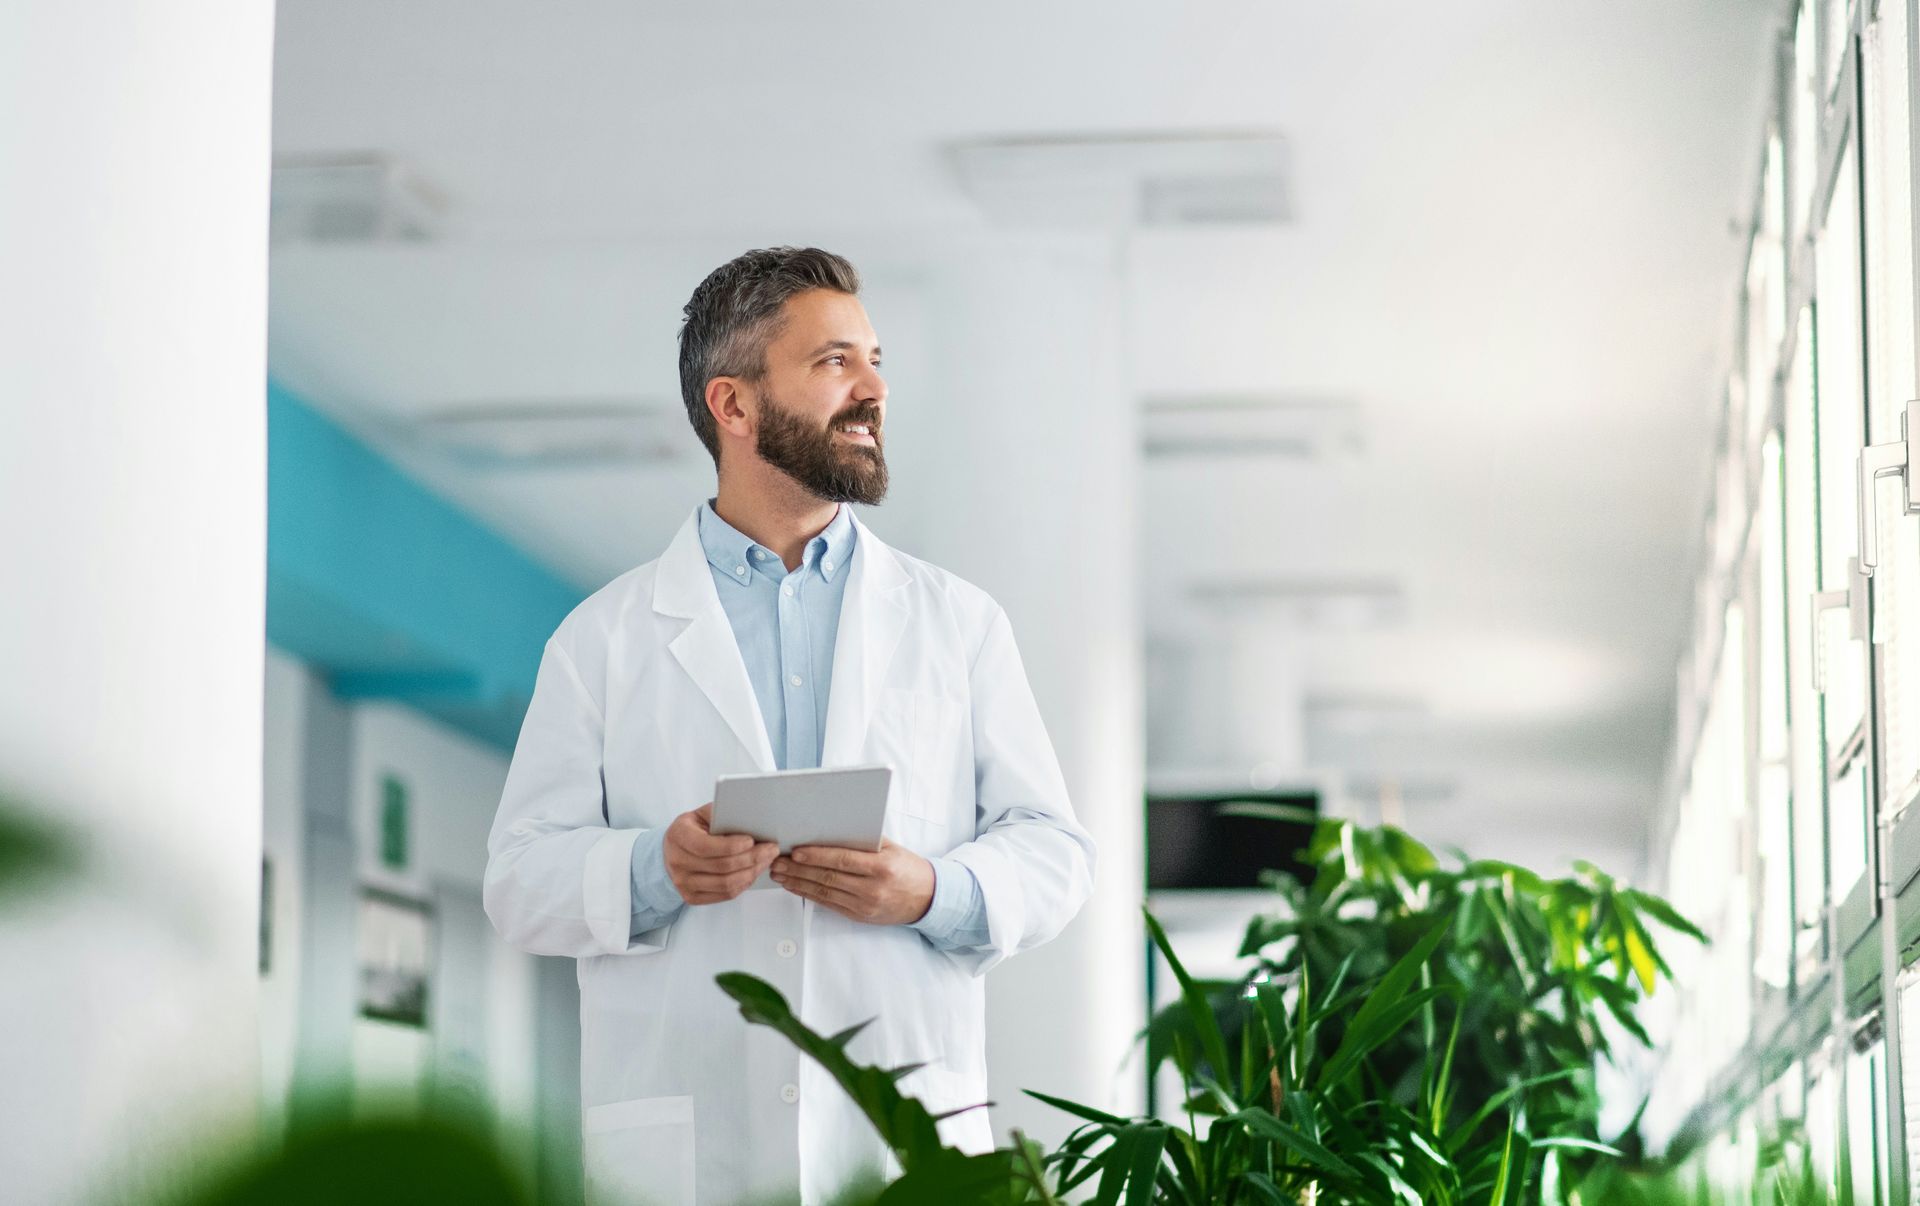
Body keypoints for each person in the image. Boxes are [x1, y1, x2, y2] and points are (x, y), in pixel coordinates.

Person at [483, 246, 1096, 1206]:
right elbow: (519, 881)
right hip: (690, 1149)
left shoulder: (958, 623)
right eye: (834, 362)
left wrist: (932, 890)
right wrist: (655, 869)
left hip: (903, 1138)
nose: (874, 390)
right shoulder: (602, 637)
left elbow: (1055, 855)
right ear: (733, 405)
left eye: (876, 360)